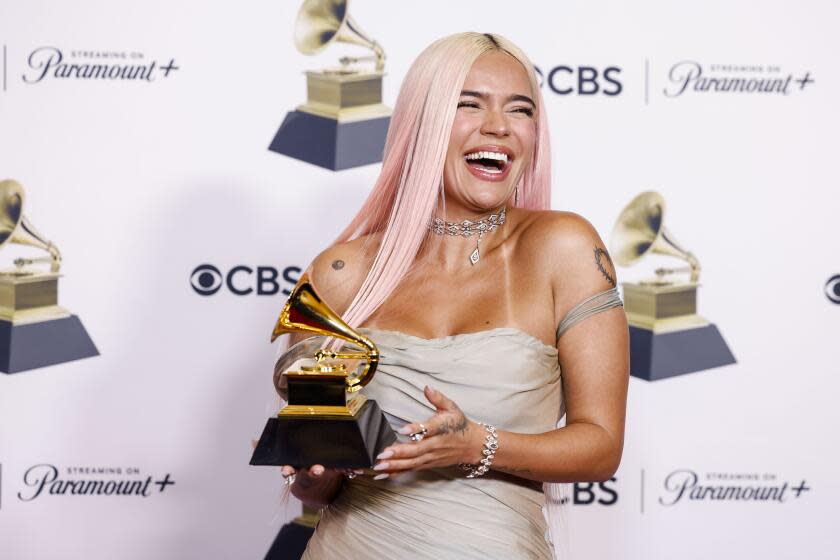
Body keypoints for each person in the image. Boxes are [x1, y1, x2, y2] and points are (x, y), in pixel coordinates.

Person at [279, 32, 629, 559]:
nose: (498, 126)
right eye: (469, 104)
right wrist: (312, 472)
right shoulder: (340, 272)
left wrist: (479, 446)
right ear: (422, 125)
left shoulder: (563, 247)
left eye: (521, 109)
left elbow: (601, 447)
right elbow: (320, 487)